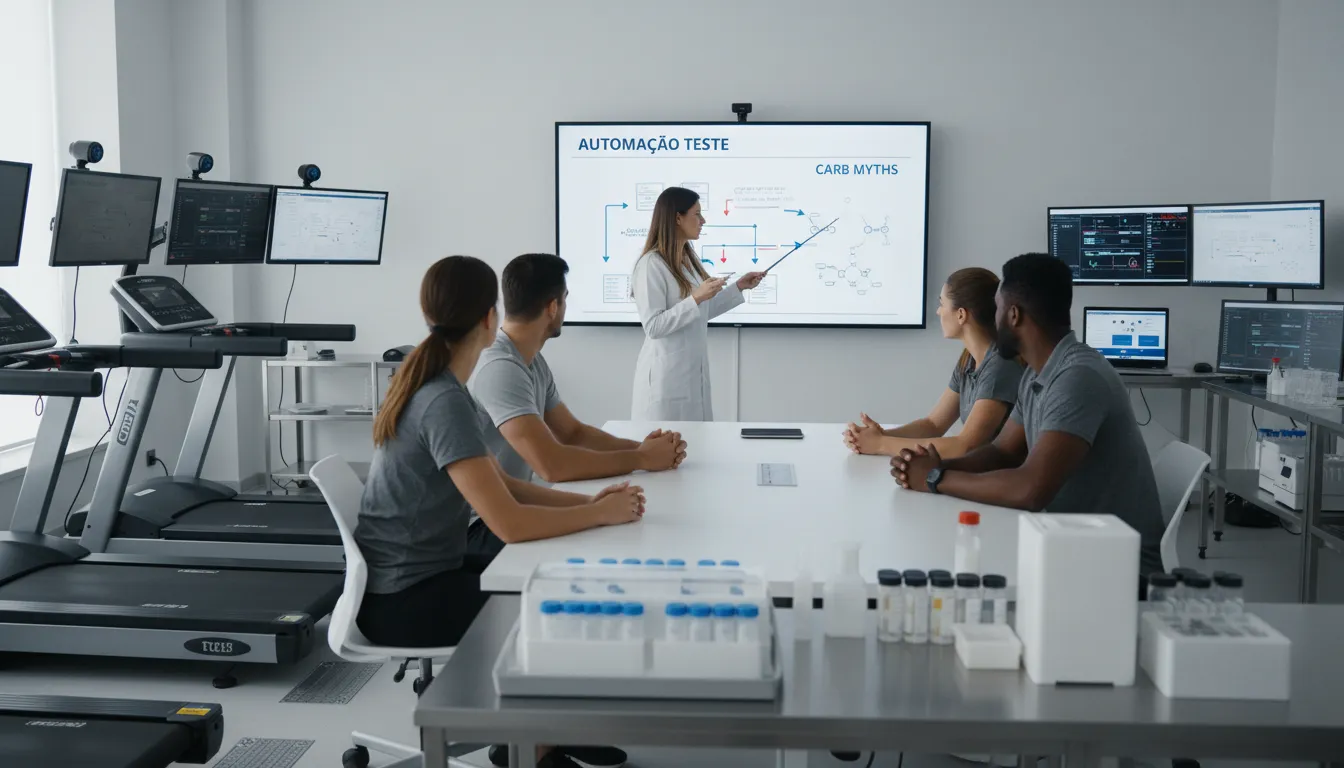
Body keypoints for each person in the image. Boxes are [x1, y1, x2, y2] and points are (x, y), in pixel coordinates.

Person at [355, 255, 641, 768]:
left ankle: (539, 734)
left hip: (417, 575)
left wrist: (590, 503)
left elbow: (503, 483)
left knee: (550, 586)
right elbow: (506, 521)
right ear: (490, 318)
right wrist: (598, 516)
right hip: (403, 598)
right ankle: (535, 746)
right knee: (551, 612)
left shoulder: (440, 384)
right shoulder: (441, 399)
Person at [890, 252, 1165, 578]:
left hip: (1115, 569)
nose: (993, 320)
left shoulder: (1077, 377)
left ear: (1014, 316)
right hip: (1069, 540)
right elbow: (1003, 452)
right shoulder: (1038, 373)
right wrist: (937, 467)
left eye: (998, 310)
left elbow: (1031, 489)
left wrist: (937, 479)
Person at [467, 253, 687, 561]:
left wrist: (644, 449)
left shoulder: (531, 361)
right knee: (612, 544)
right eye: (566, 299)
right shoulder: (500, 367)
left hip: (515, 503)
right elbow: (551, 465)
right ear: (553, 306)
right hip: (483, 525)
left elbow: (572, 433)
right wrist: (641, 458)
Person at [843, 267, 1023, 459]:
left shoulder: (1000, 366)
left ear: (961, 314)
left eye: (942, 303)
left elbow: (965, 446)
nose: (938, 311)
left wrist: (880, 444)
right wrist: (879, 436)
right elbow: (933, 425)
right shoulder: (969, 359)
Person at [630, 186, 766, 420]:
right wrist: (696, 297)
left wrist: (739, 287)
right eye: (697, 214)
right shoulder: (651, 264)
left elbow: (700, 311)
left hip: (691, 377)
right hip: (666, 382)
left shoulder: (686, 261)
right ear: (677, 218)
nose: (703, 220)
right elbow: (653, 326)